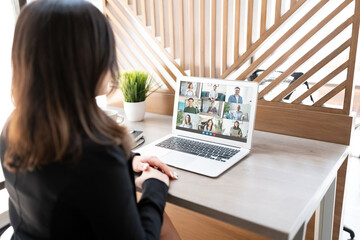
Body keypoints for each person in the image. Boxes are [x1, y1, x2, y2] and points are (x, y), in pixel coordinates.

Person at [0, 1, 180, 239]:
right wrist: (155, 185)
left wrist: (128, 162)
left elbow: (67, 182)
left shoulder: (14, 127)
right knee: (161, 219)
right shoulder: (97, 151)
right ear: (84, 60)